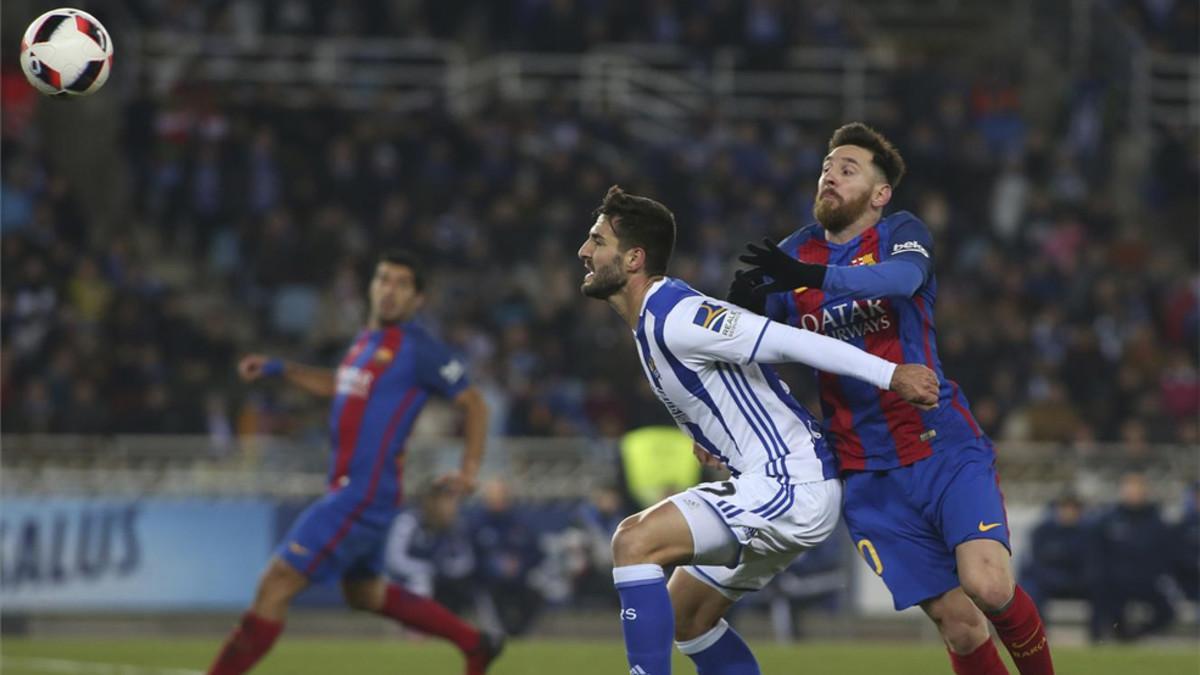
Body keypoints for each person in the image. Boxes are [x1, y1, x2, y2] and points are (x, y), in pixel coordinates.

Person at [731, 122, 1054, 674]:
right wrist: (742, 310)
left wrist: (810, 275)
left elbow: (900, 281)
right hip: (866, 474)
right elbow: (753, 344)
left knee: (987, 584)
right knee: (958, 623)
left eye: (848, 168)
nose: (830, 174)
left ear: (879, 194)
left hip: (940, 448)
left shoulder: (900, 232)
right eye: (827, 166)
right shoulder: (792, 252)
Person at [577, 185, 939, 675]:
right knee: (687, 617)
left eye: (597, 241)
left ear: (634, 258)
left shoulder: (679, 314)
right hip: (777, 481)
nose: (584, 251)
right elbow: (714, 387)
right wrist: (708, 437)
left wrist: (891, 374)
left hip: (791, 483)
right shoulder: (651, 321)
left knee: (633, 541)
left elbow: (792, 343)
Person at [207, 250, 503, 675]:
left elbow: (475, 403)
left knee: (276, 584)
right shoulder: (365, 343)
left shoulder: (419, 348)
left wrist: (469, 469)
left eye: (402, 284)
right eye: (384, 279)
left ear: (418, 299)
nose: (389, 290)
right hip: (357, 489)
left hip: (361, 492)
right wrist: (282, 368)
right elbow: (339, 384)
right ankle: (475, 644)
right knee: (364, 593)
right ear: (371, 286)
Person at [1089, 471, 1175, 642]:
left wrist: (1158, 576)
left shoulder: (1156, 521)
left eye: (1137, 489)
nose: (1133, 494)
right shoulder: (1108, 520)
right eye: (1129, 489)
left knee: (1167, 611)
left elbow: (1165, 554)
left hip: (1147, 581)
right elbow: (1097, 552)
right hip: (1114, 581)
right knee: (1103, 602)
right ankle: (1102, 639)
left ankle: (1136, 634)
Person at [1019, 495, 1091, 618]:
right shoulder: (1042, 531)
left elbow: (1092, 563)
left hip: (1078, 582)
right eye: (1064, 508)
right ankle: (1036, 631)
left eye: (1072, 508)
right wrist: (1055, 580)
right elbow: (1035, 563)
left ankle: (1103, 631)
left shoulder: (1089, 533)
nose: (1068, 512)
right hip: (1048, 581)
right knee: (1030, 589)